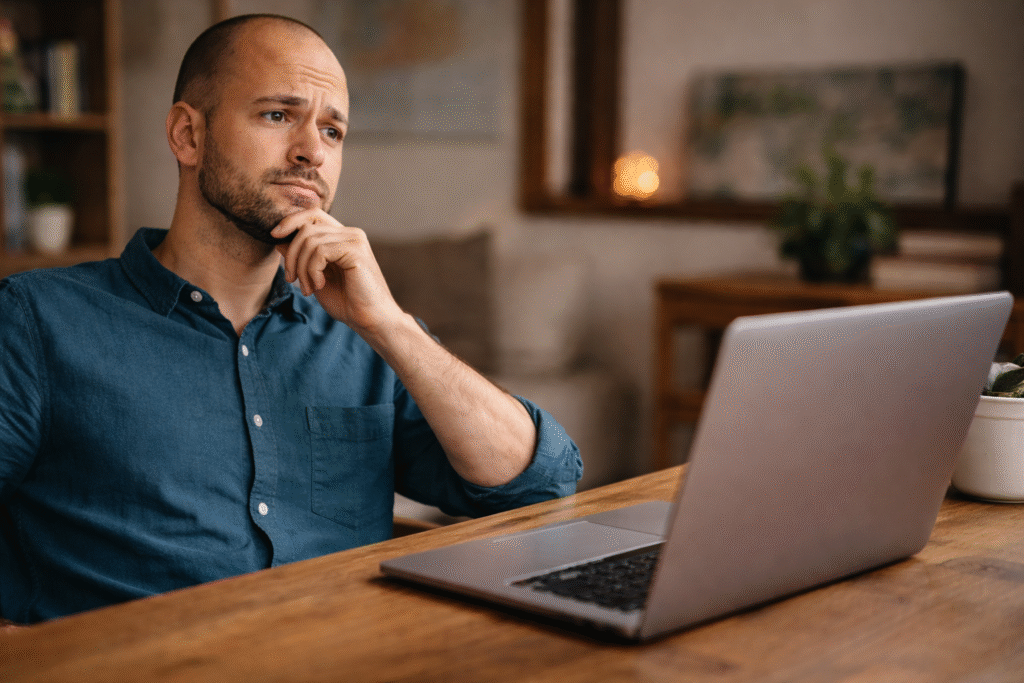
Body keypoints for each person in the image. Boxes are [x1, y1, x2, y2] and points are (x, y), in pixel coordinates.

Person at [0, 14, 582, 625]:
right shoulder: (36, 322)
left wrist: (389, 324)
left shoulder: (365, 337)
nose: (311, 152)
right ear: (187, 136)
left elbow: (538, 486)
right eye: (278, 115)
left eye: (333, 131)